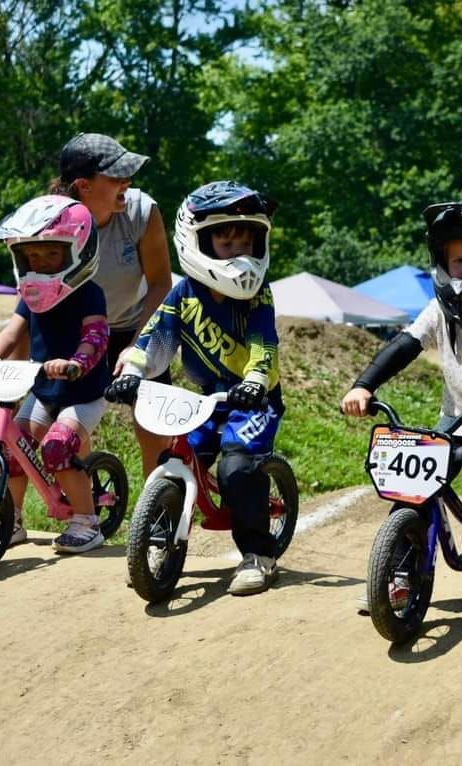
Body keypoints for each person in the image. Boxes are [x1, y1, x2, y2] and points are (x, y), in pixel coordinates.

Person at [342, 198, 462, 633]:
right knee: (411, 487)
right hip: (455, 421)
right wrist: (363, 384)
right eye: (459, 260)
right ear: (442, 263)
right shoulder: (439, 311)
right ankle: (395, 576)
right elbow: (403, 346)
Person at [105, 181, 285, 596]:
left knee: (236, 467)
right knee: (179, 454)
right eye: (226, 242)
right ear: (196, 241)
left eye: (246, 242)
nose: (238, 253)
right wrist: (132, 371)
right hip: (207, 400)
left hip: (253, 400)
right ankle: (156, 544)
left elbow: (264, 343)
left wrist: (256, 381)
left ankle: (260, 555)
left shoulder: (258, 298)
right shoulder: (182, 293)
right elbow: (153, 338)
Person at [0, 195, 111, 553]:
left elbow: (96, 335)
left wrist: (77, 361)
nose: (40, 262)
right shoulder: (30, 295)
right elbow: (12, 332)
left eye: (52, 254)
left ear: (78, 251)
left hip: (84, 393)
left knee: (58, 447)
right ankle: (11, 519)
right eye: (32, 255)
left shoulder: (88, 294)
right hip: (44, 388)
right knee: (15, 448)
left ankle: (86, 522)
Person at [49, 132, 174, 479]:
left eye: (127, 175)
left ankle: (158, 509)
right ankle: (85, 507)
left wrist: (138, 346)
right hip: (80, 334)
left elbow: (162, 282)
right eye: (115, 176)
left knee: (152, 422)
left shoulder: (141, 211)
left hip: (137, 325)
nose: (127, 182)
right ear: (84, 186)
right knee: (68, 420)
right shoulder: (51, 222)